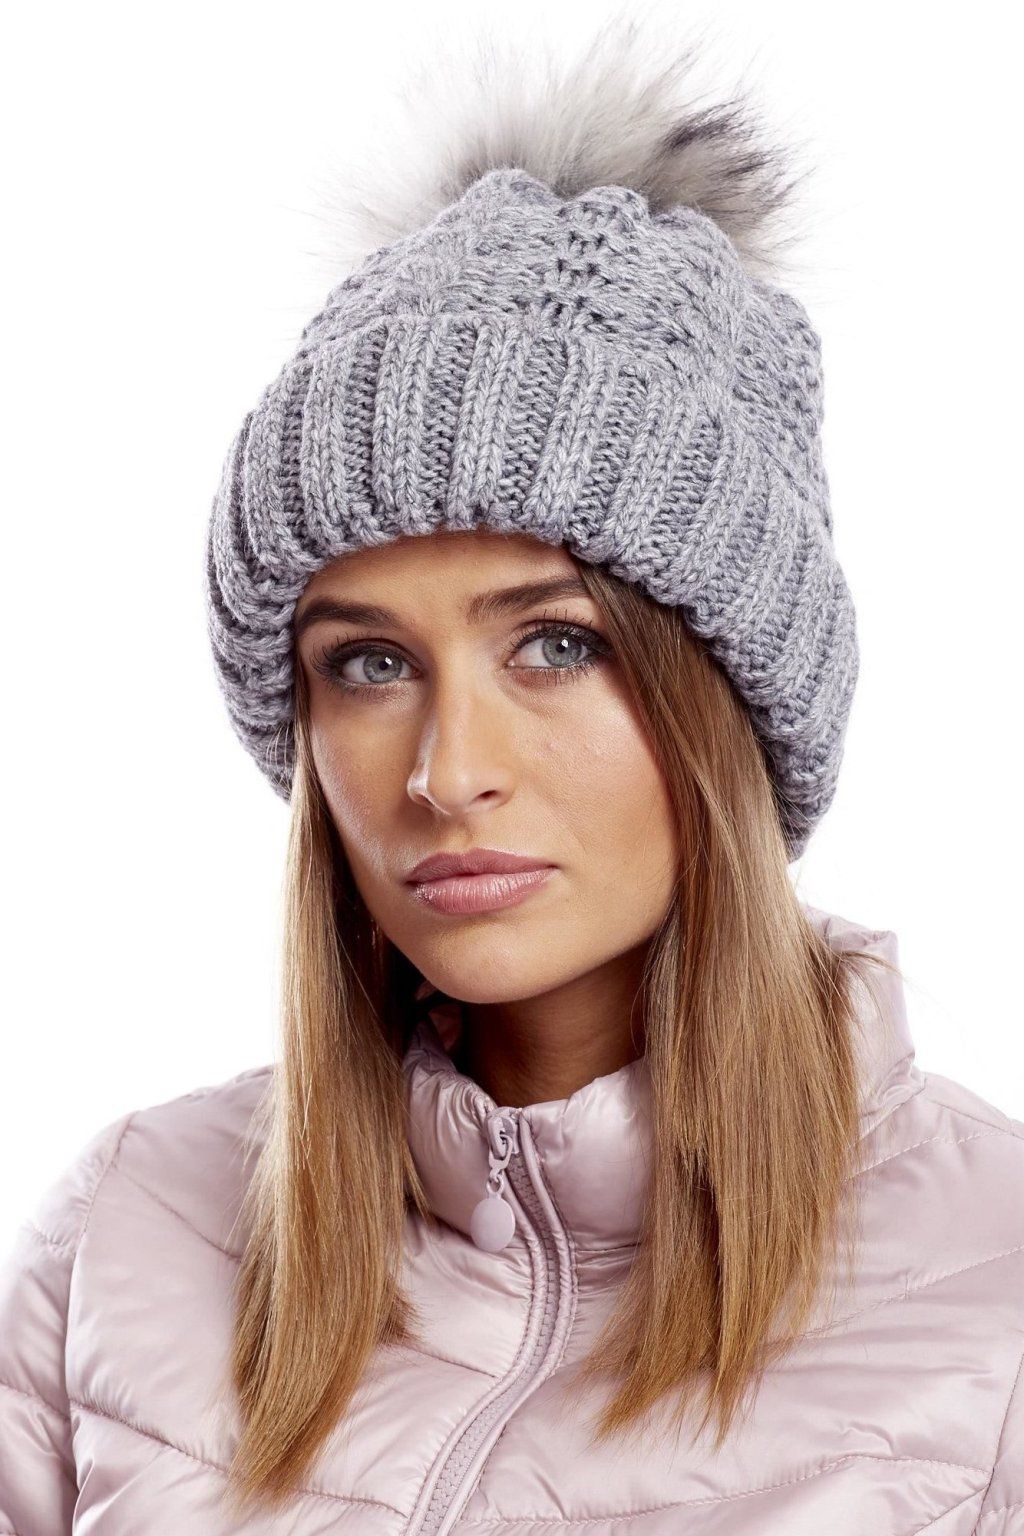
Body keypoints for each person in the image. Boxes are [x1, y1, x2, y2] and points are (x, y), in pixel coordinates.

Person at [2, 19, 1022, 1535]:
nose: (449, 771)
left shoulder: (996, 1299)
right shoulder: (128, 1233)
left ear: (729, 697)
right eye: (367, 663)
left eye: (554, 645)